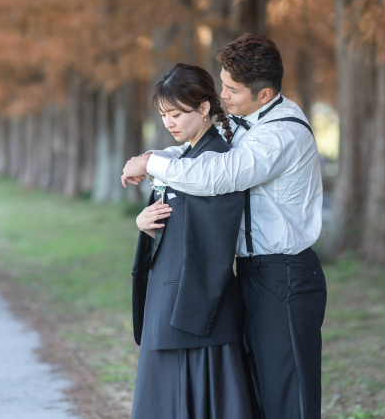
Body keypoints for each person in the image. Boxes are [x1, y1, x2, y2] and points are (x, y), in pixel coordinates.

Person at [123, 33, 327, 419]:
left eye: (232, 89)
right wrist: (153, 155)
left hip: (284, 275)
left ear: (264, 94)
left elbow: (220, 174)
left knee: (289, 396)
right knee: (257, 393)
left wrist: (149, 165)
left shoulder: (281, 134)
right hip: (249, 273)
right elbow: (196, 148)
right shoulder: (246, 121)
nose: (223, 96)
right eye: (222, 84)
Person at [130, 63, 256, 419]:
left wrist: (192, 315)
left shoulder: (215, 165)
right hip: (170, 302)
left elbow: (215, 242)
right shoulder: (186, 159)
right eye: (163, 115)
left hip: (195, 308)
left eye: (176, 114)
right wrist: (144, 223)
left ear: (204, 108)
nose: (169, 123)